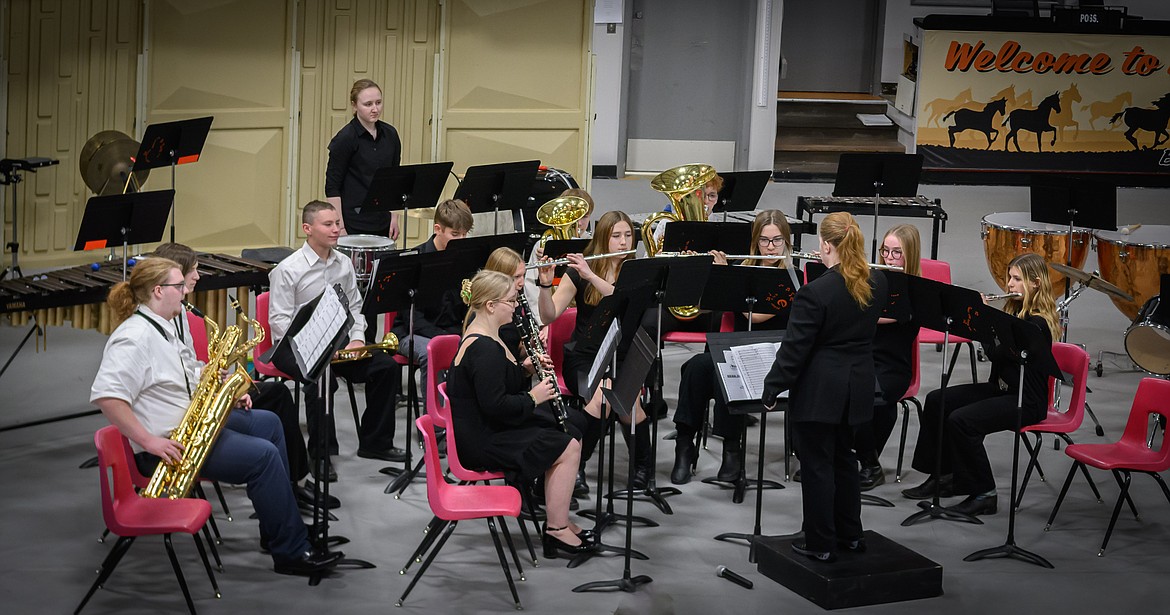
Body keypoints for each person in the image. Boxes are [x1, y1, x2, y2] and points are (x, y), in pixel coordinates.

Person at [90, 257, 342, 576]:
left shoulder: (164, 324)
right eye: (179, 286)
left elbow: (181, 373)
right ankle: (290, 552)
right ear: (157, 291)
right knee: (262, 457)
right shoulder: (133, 337)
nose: (185, 291)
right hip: (172, 445)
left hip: (191, 425)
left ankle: (280, 527)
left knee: (270, 423)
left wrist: (220, 388)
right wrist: (149, 441)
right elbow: (108, 396)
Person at [151, 243, 337, 510]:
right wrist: (210, 381)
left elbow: (187, 362)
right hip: (189, 410)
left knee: (278, 395)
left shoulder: (180, 313)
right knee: (276, 402)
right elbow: (171, 376)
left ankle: (292, 484)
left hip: (203, 391)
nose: (198, 276)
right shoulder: (156, 323)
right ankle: (283, 492)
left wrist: (211, 374)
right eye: (193, 270)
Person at [762, 212, 888, 563]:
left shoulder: (815, 293)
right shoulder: (877, 283)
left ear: (826, 245)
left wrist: (772, 387)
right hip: (857, 388)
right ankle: (850, 534)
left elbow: (795, 350)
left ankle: (819, 542)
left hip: (820, 392)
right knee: (844, 460)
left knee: (817, 466)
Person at [446, 270, 594, 558]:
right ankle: (556, 531)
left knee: (570, 432)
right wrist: (533, 397)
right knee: (567, 444)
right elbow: (496, 406)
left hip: (490, 427)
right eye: (511, 301)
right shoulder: (484, 348)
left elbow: (498, 387)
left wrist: (524, 369)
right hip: (482, 441)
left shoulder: (490, 336)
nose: (515, 306)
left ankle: (556, 515)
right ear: (491, 305)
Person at [902, 252, 1060, 516]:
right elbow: (994, 349)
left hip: (1026, 400)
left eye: (1017, 279)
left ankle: (984, 492)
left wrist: (982, 317)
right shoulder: (1016, 312)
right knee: (938, 400)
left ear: (1035, 284)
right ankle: (945, 476)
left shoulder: (1036, 324)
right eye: (1009, 277)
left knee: (962, 421)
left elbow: (998, 351)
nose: (1009, 284)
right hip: (1001, 389)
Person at [269, 201, 403, 480]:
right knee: (321, 379)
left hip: (338, 342)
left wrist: (356, 339)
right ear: (307, 229)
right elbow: (279, 323)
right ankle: (321, 454)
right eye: (328, 224)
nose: (336, 230)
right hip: (294, 347)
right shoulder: (288, 269)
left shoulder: (343, 263)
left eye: (337, 224)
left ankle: (376, 443)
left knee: (385, 367)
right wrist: (312, 349)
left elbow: (355, 307)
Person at [670, 210, 792, 485]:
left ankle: (731, 449)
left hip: (773, 356)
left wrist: (728, 277)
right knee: (695, 367)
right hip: (737, 350)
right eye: (764, 241)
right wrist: (717, 275)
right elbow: (707, 304)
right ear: (755, 242)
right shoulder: (743, 268)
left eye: (776, 241)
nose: (770, 248)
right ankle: (685, 444)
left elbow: (755, 315)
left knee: (725, 373)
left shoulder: (790, 279)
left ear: (787, 241)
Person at [536, 211, 654, 488]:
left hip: (624, 355)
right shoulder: (578, 273)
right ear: (603, 239)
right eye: (616, 236)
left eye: (628, 236)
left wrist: (590, 275)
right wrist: (544, 284)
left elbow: (622, 300)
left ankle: (643, 469)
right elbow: (549, 315)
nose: (624, 243)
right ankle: (576, 464)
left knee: (630, 403)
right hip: (586, 356)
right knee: (603, 399)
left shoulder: (637, 271)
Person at [855, 225, 922, 491]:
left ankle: (870, 463)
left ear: (910, 254)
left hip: (893, 367)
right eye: (885, 250)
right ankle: (834, 457)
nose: (889, 257)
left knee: (868, 395)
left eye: (897, 252)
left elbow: (875, 316)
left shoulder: (914, 290)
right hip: (863, 358)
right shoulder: (874, 278)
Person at [390, 198, 475, 408]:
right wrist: (447, 338)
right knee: (435, 351)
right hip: (412, 333)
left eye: (465, 234)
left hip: (453, 330)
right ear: (438, 229)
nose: (461, 240)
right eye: (455, 235)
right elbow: (412, 318)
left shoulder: (465, 260)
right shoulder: (414, 260)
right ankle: (436, 432)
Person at [325, 78, 402, 240]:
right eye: (368, 104)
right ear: (354, 105)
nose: (375, 109)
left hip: (383, 220)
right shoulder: (345, 139)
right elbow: (332, 186)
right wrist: (340, 227)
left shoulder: (391, 134)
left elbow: (395, 179)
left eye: (378, 102)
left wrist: (394, 217)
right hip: (355, 222)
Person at [523, 187, 595, 324]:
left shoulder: (592, 245)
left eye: (584, 217)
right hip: (549, 313)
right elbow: (531, 286)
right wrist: (542, 322)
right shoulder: (542, 245)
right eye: (573, 217)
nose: (579, 223)